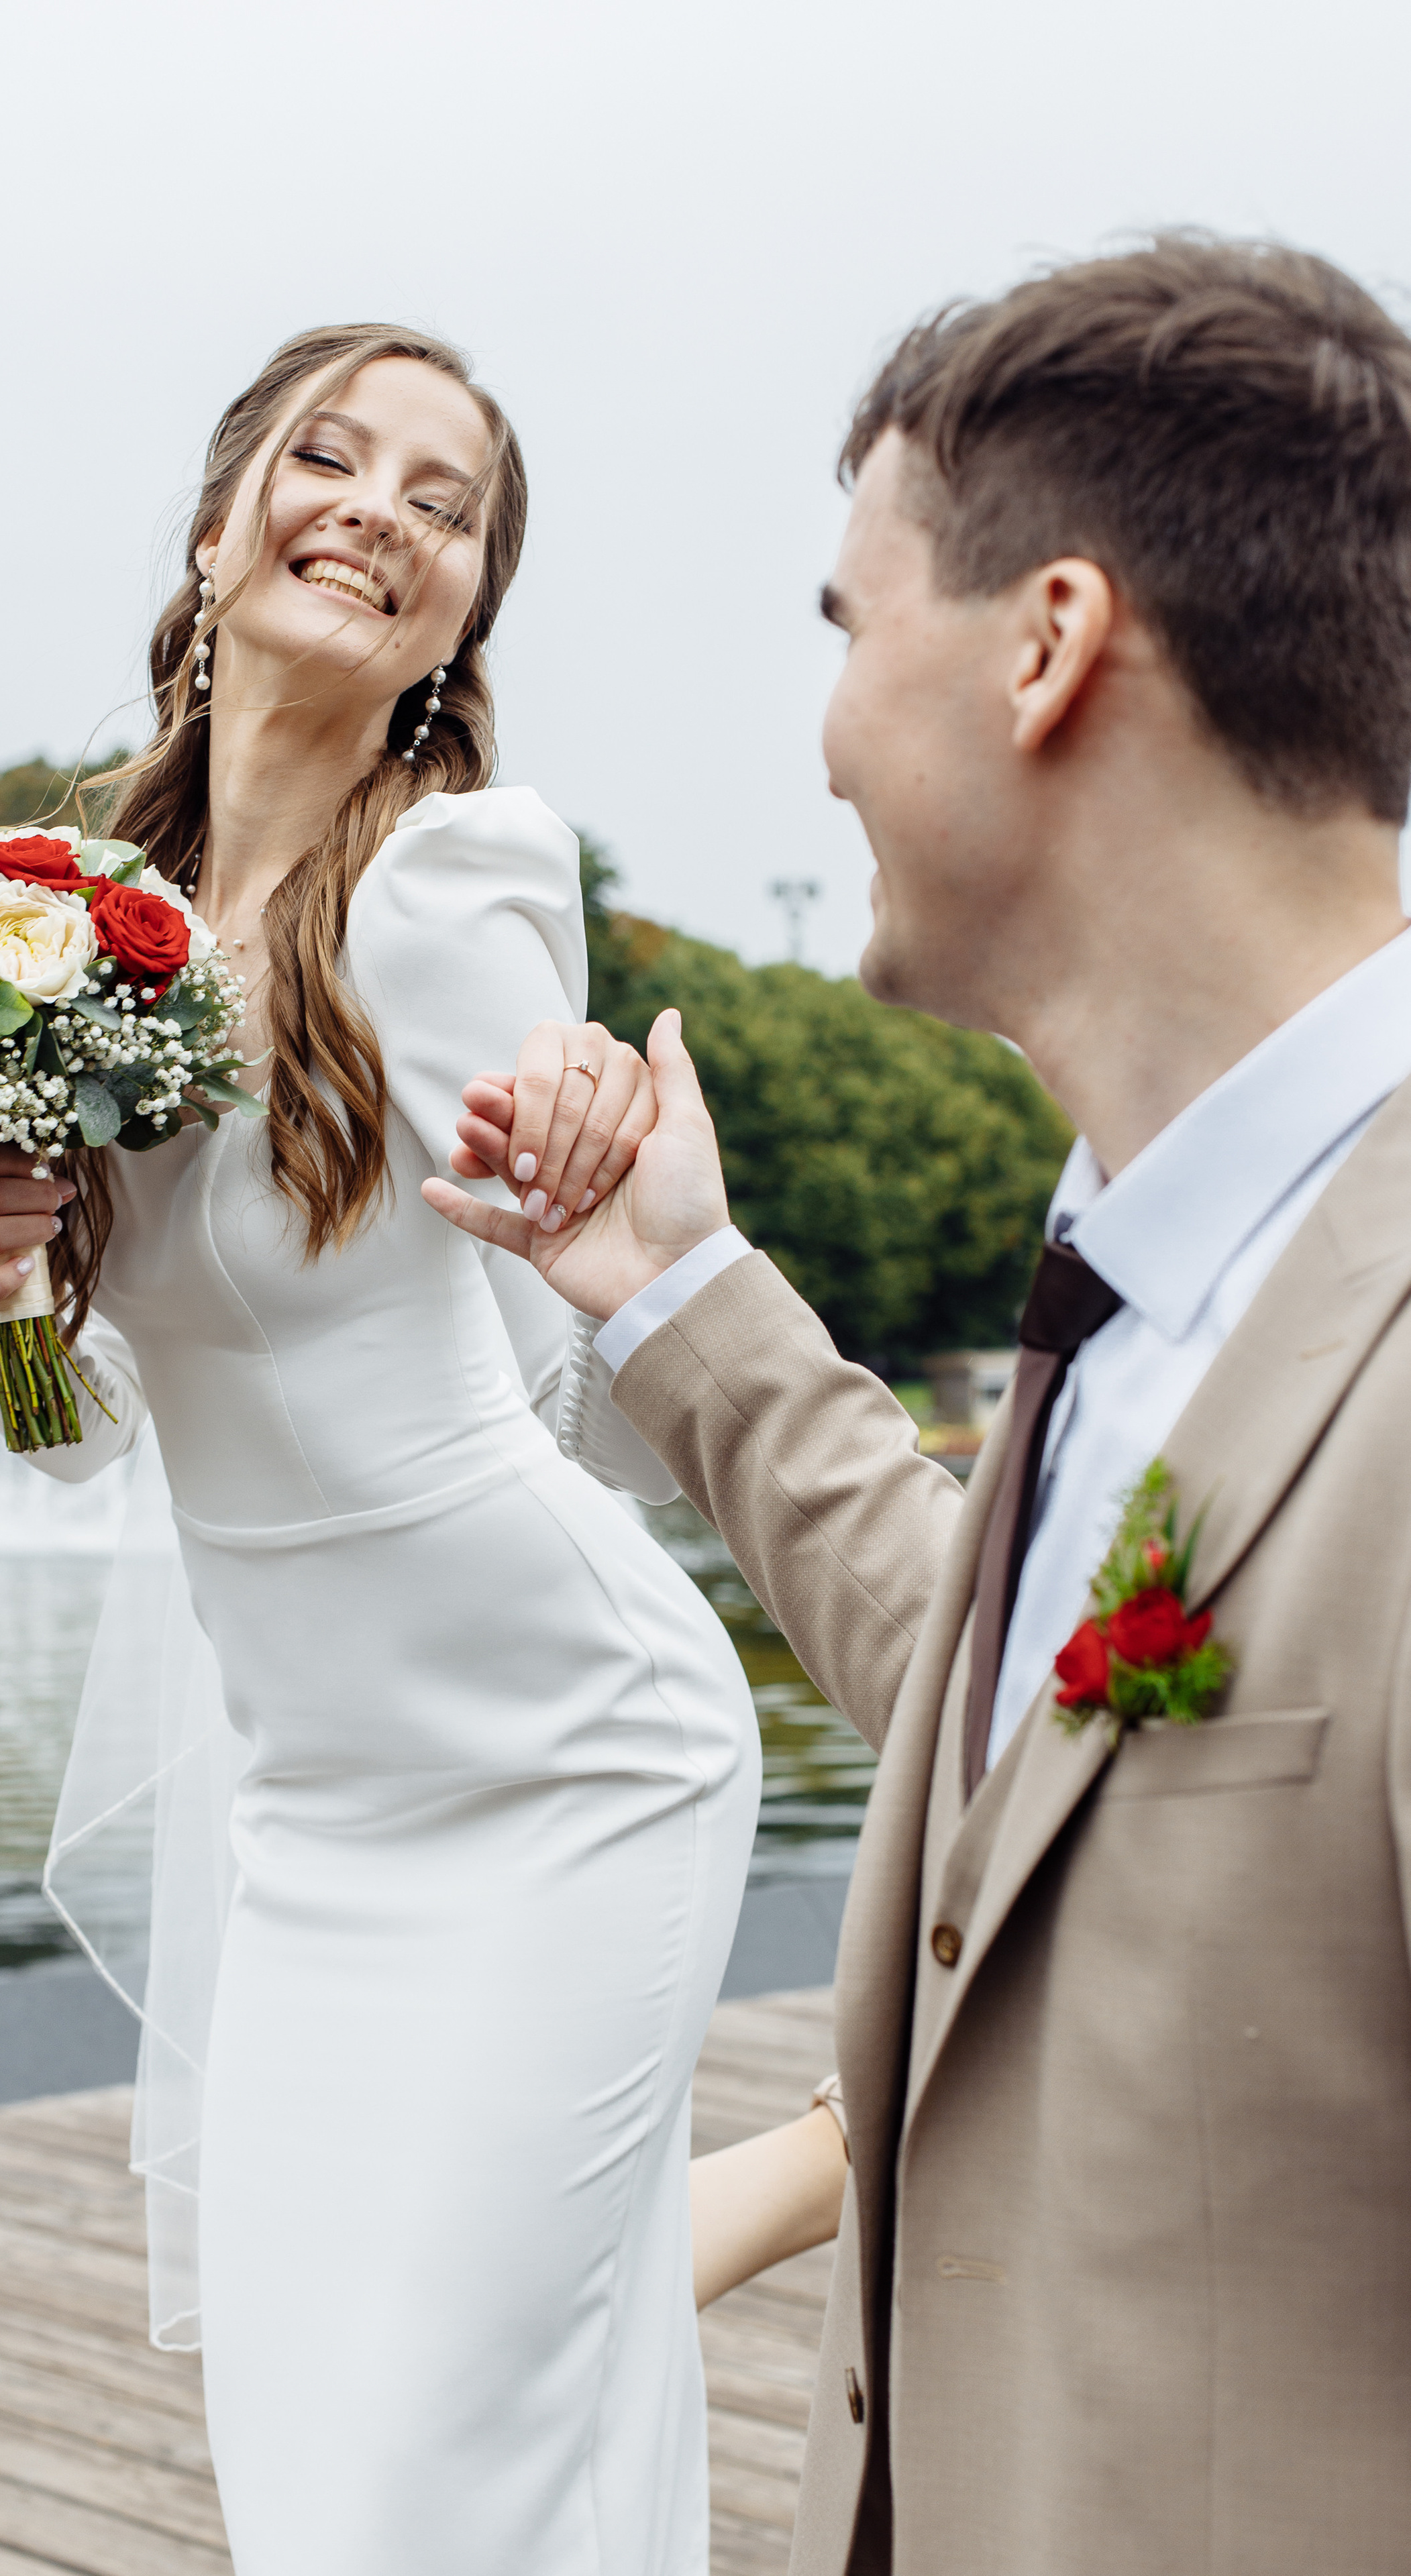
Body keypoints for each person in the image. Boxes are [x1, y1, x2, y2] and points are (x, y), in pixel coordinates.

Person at [428, 237, 1411, 2575]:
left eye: (847, 632)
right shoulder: (1158, 1280)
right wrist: (677, 1293)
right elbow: (1044, 1722)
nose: (830, 728)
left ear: (1049, 646)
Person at [0, 323, 761, 2576]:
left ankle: (803, 2179)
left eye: (447, 499)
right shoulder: (58, 940)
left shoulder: (461, 871)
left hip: (572, 1760)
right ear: (219, 529)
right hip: (307, 1817)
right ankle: (812, 2176)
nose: (381, 503)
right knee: (309, 2474)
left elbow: (590, 1311)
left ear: (458, 617)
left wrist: (594, 1164)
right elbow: (87, 1438)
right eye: (330, 453)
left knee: (440, 2473)